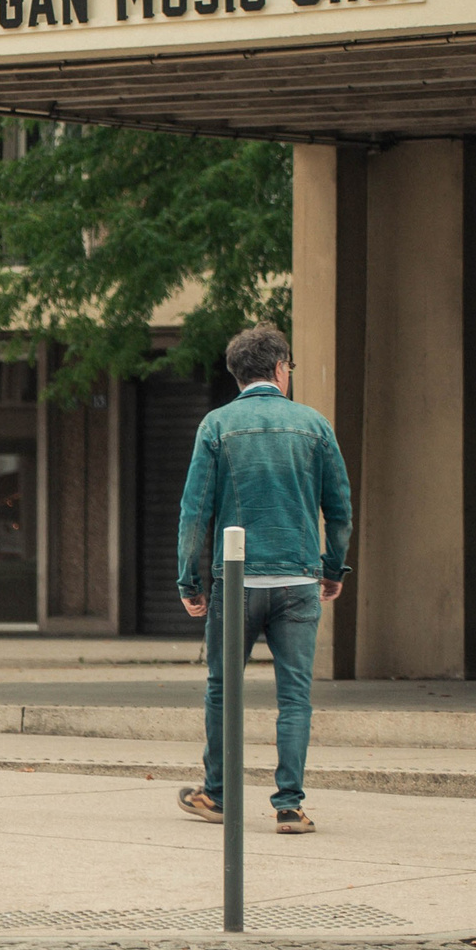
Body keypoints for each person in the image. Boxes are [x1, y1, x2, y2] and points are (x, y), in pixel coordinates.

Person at [174, 323, 352, 836]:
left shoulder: (215, 426)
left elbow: (194, 512)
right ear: (279, 368)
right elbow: (339, 509)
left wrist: (190, 582)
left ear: (237, 375)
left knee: (221, 688)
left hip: (236, 583)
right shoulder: (314, 425)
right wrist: (332, 567)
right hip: (298, 581)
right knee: (295, 695)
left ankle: (218, 794)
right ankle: (289, 806)